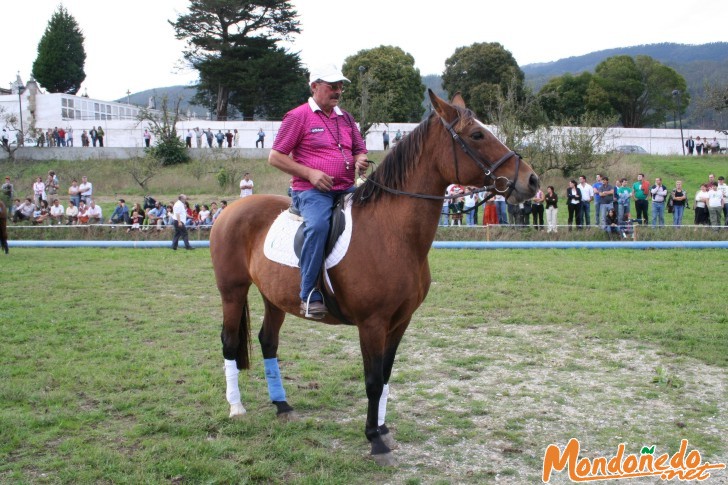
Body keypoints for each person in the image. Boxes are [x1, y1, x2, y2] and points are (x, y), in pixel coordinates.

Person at [269, 64, 368, 318]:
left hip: (346, 188)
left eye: (340, 86)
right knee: (319, 227)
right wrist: (310, 174)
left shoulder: (345, 117)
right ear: (314, 86)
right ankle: (309, 292)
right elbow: (275, 157)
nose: (338, 91)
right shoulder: (297, 116)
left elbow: (359, 147)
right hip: (311, 192)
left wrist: (360, 159)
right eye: (332, 86)